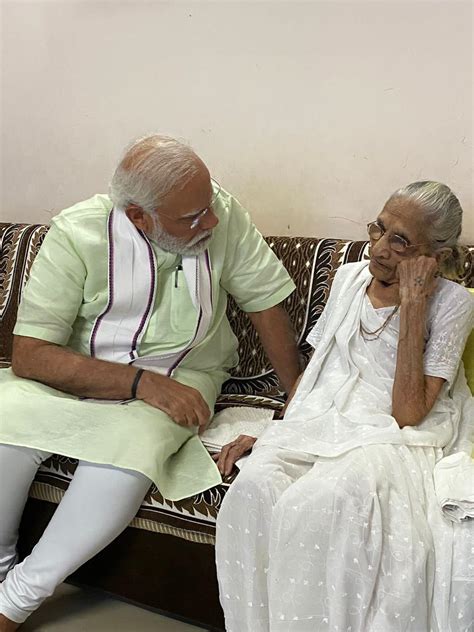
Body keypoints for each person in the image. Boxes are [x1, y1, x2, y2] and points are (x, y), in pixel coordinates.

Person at [0, 134, 300, 630]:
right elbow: (30, 356)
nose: (213, 221)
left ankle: (15, 601)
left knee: (135, 445)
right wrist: (138, 383)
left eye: (209, 206)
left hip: (187, 375)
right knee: (5, 419)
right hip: (81, 373)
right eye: (192, 218)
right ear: (139, 215)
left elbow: (264, 301)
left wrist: (299, 396)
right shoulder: (77, 233)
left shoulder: (220, 212)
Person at [215, 181, 474, 632]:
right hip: (325, 416)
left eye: (400, 241)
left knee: (323, 500)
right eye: (380, 229)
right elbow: (316, 370)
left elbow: (409, 412)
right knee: (254, 487)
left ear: (434, 254)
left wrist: (414, 303)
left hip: (394, 434)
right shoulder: (349, 278)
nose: (379, 247)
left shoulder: (453, 304)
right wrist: (275, 429)